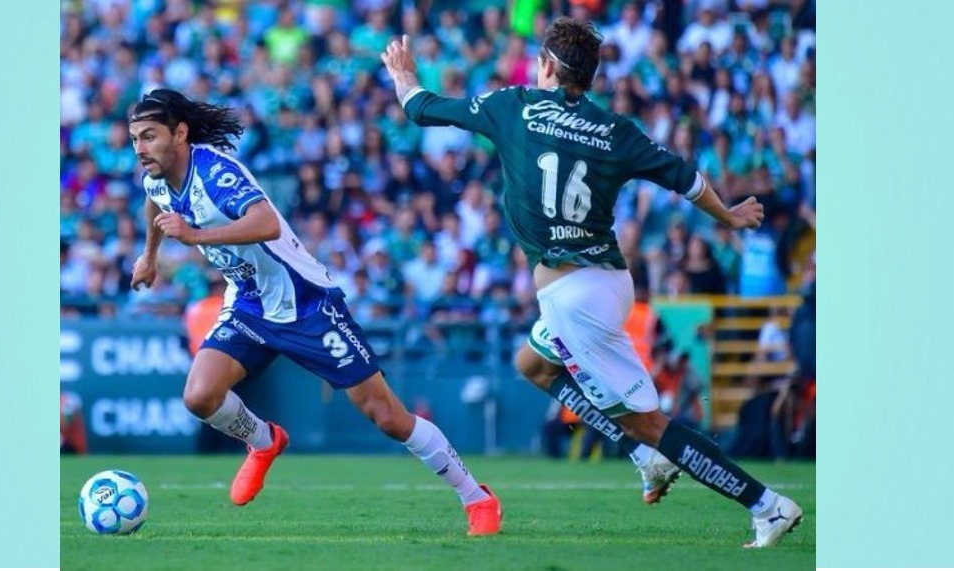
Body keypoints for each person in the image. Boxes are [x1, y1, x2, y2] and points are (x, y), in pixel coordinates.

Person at [381, 18, 802, 548]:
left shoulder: (513, 106)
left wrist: (403, 76)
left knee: (648, 423)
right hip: (610, 280)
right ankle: (644, 457)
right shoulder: (614, 129)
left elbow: (420, 108)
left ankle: (765, 504)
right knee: (532, 363)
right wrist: (729, 216)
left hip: (573, 298)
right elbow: (687, 179)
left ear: (547, 66)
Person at [127, 88, 502, 536]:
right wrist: (149, 255)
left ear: (180, 133)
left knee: (386, 415)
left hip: (306, 303)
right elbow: (156, 202)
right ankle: (264, 441)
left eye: (149, 136)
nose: (140, 148)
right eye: (135, 139)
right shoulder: (156, 177)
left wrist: (194, 237)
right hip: (248, 303)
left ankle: (477, 498)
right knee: (199, 396)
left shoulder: (214, 173)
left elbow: (266, 223)